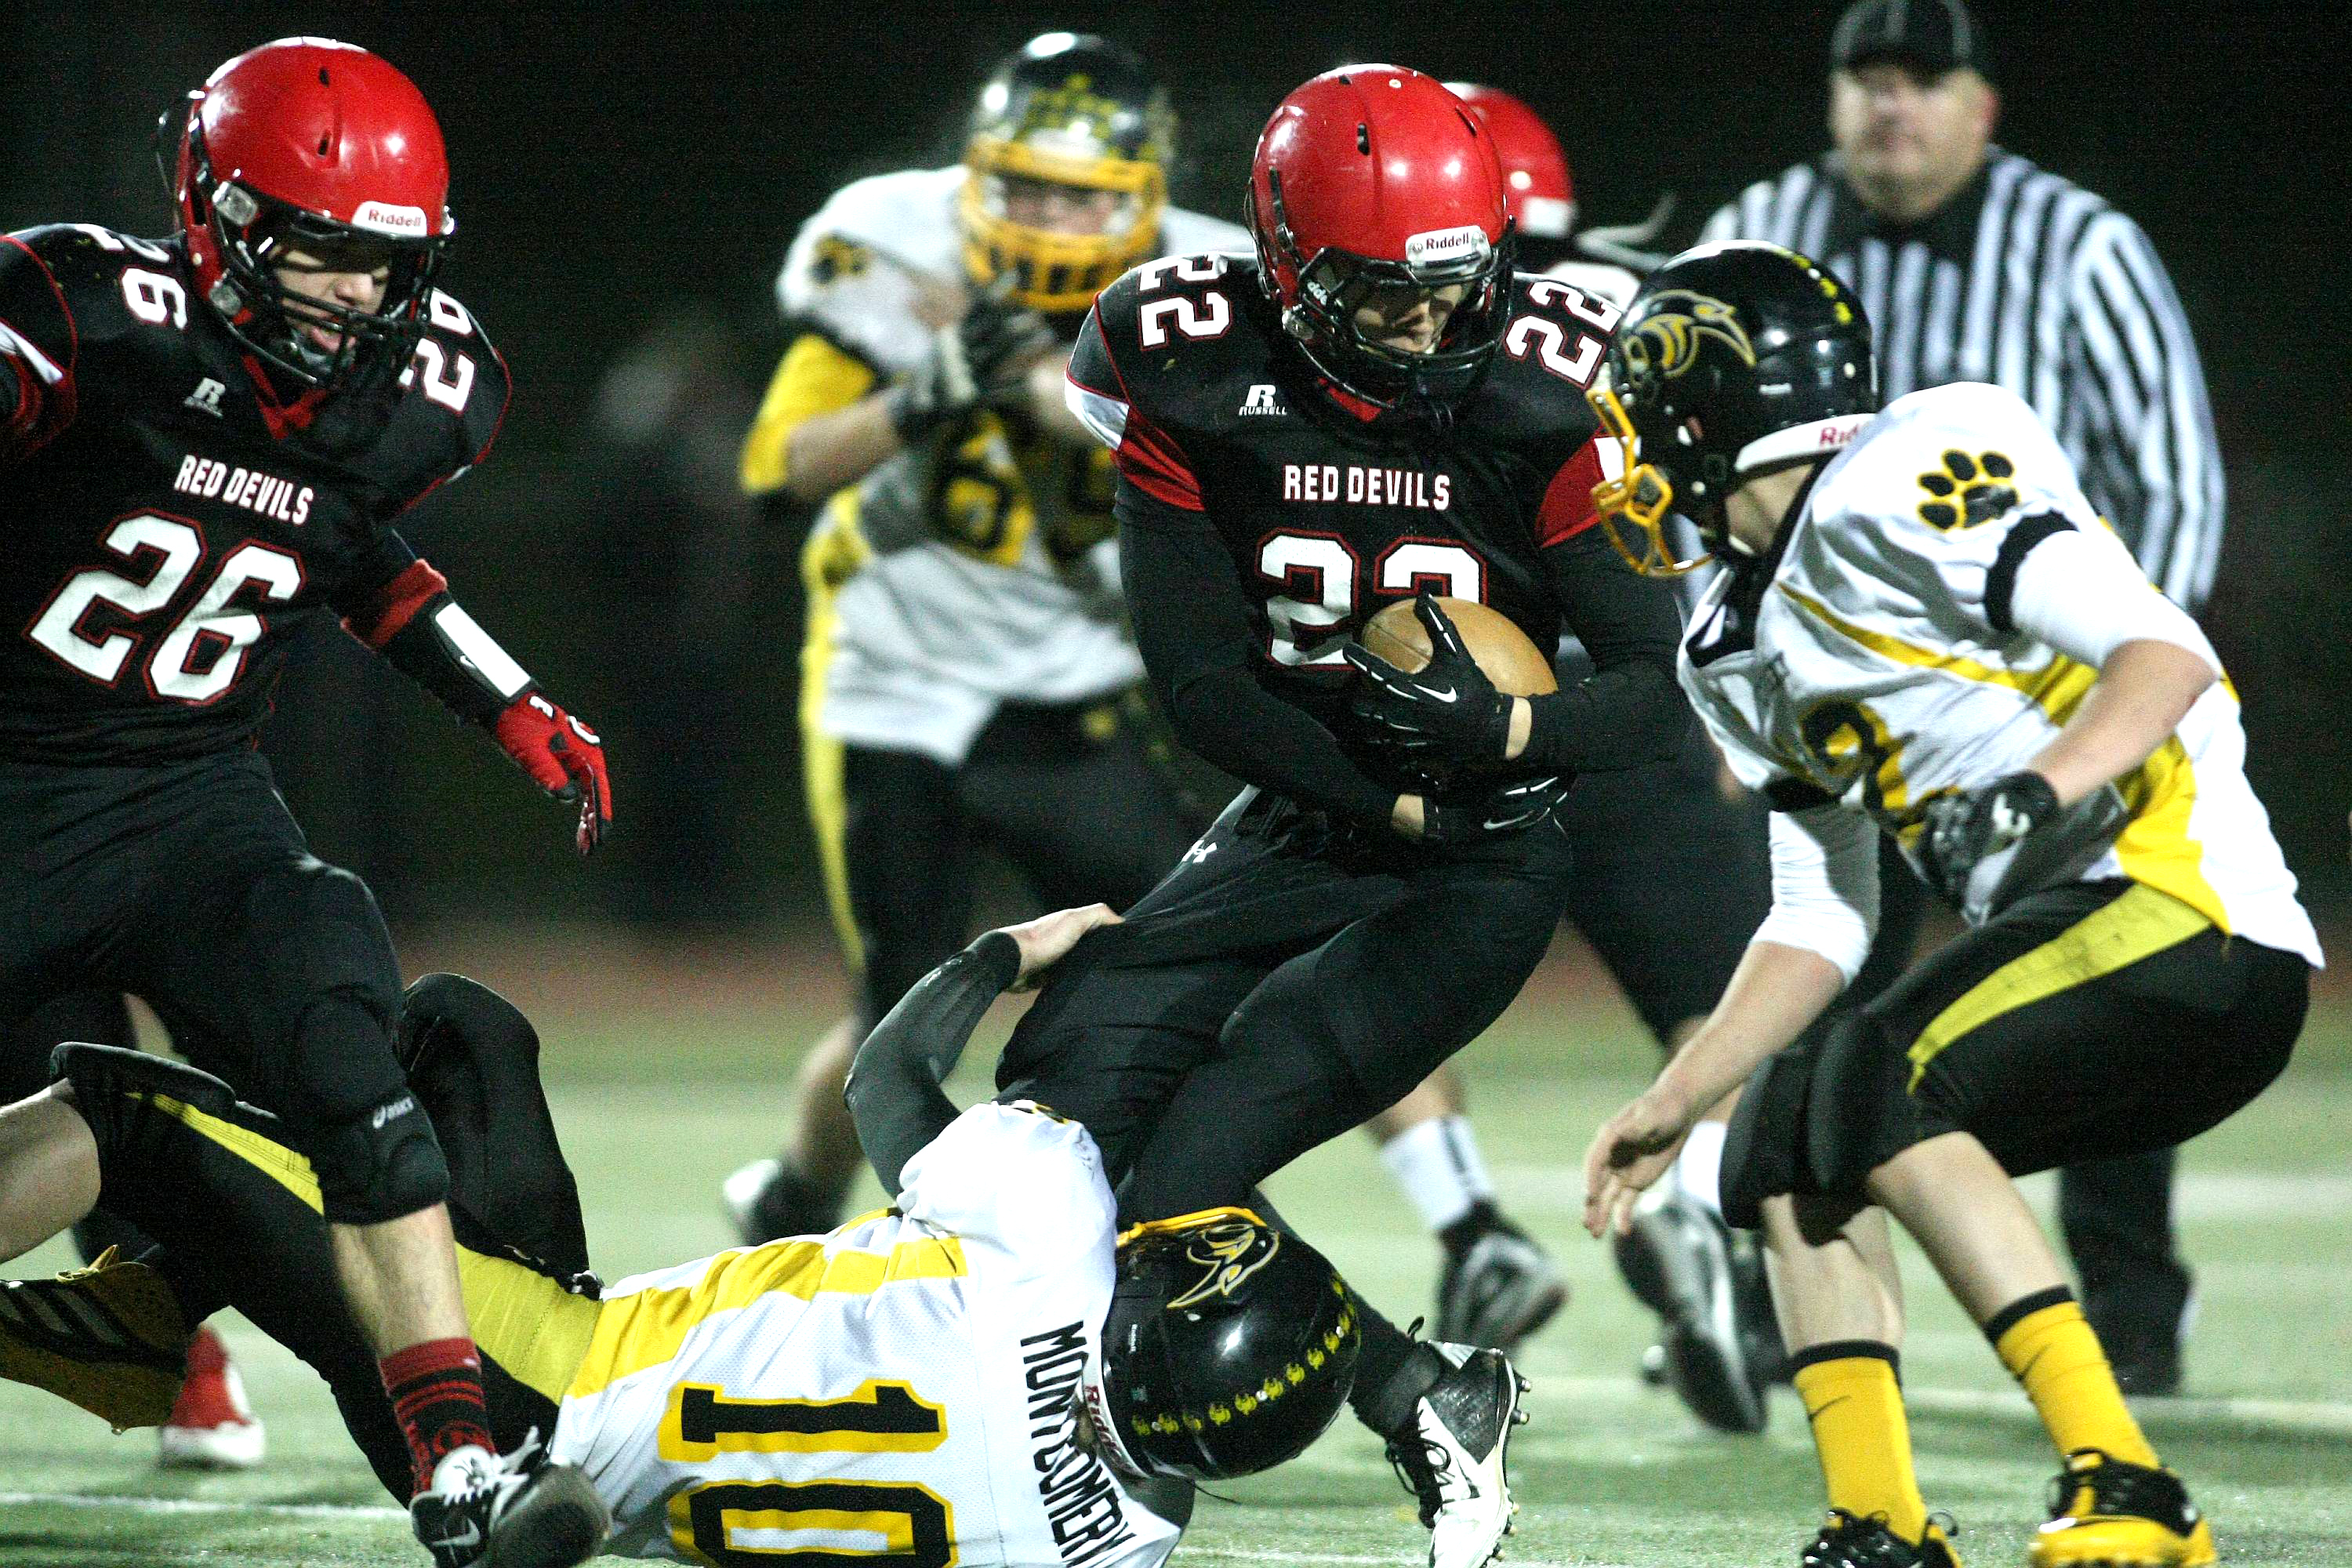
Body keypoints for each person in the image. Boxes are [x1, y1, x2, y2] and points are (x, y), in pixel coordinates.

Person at [1026, 64, 1690, 1568]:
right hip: (1311, 805)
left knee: (1181, 1174)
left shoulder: (1540, 398)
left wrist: (1515, 731)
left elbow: (1661, 682)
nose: (1427, 326)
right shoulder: (1182, 360)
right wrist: (1388, 790)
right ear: (1284, 261)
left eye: (1454, 291)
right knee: (1061, 1106)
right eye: (1385, 295)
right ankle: (1421, 1390)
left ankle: (1402, 1412)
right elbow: (1202, 685)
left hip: (1480, 860)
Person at [1580, 241, 2316, 1567]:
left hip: (2186, 916)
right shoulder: (1730, 642)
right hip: (2074, 948)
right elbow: (1821, 915)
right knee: (1780, 1146)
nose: (1621, 448)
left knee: (1873, 1073)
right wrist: (1682, 1093)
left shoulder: (1902, 478)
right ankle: (1881, 1521)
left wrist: (2040, 790)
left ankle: (2131, 1484)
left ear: (1708, 411)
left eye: (1638, 410)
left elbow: (2169, 654)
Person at [0, 37, 612, 1566]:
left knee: (352, 1042)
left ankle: (458, 1468)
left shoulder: (425, 389)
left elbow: (344, 546)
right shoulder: (85, 323)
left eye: (385, 260)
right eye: (325, 250)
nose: (358, 293)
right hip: (14, 782)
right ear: (218, 216)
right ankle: (149, 1337)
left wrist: (506, 697)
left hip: (192, 794)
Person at [0, 908, 1360, 1567]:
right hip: (616, 1404)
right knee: (464, 1035)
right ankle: (159, 1312)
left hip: (511, 1381)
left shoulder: (1053, 1234)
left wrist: (1005, 952)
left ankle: (181, 1314)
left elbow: (884, 1076)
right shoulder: (1126, 1541)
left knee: (130, 1111)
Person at [1697, 0, 2228, 1392]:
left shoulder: (2077, 242)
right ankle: (1792, 1296)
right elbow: (1687, 449)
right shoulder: (1760, 225)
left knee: (2091, 976)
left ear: (1983, 105)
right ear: (1829, 102)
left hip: (2045, 682)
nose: (1891, 107)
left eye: (1923, 81)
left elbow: (2171, 474)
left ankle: (2127, 1319)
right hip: (1852, 686)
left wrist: (2100, 686)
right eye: (1865, 80)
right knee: (1822, 983)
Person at [722, 32, 1243, 1249]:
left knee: (1191, 961)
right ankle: (821, 1206)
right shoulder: (895, 244)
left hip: (1077, 684)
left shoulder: (1208, 289)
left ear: (1144, 197)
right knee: (900, 1013)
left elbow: (1244, 482)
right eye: (1028, 185)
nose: (1053, 219)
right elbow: (771, 472)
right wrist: (926, 387)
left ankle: (1420, 1212)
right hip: (893, 683)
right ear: (978, 174)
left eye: (1084, 194)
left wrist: (1070, 413)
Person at [1446, 82, 1788, 1428]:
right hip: (1641, 705)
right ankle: (1695, 1206)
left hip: (1458, 715)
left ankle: (1469, 1220)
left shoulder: (1383, 330)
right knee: (1725, 1012)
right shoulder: (1649, 319)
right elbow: (1734, 517)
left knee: (1346, 977)